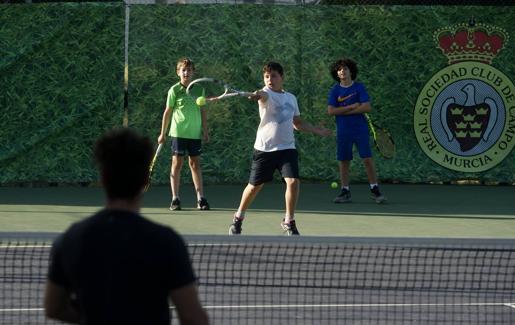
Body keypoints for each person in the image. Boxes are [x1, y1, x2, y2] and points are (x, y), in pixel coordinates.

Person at [44, 128, 209, 325]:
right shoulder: (167, 242)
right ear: (145, 181)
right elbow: (192, 317)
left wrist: (95, 316)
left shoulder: (71, 239)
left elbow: (53, 306)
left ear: (103, 178)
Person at [229, 62, 331, 236]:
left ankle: (289, 221)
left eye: (274, 76)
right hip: (264, 150)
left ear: (282, 77)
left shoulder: (291, 98)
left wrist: (316, 130)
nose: (270, 79)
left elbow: (297, 123)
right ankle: (238, 218)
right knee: (254, 187)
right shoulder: (265, 94)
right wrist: (257, 95)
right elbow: (261, 95)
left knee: (293, 182)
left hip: (287, 148)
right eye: (267, 76)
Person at [327, 58, 386, 204]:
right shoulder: (335, 90)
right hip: (343, 131)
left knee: (367, 159)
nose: (343, 71)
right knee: (344, 161)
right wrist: (351, 107)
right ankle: (345, 191)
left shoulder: (359, 87)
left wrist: (342, 111)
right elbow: (331, 111)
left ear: (351, 71)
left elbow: (367, 107)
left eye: (345, 68)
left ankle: (375, 189)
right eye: (340, 69)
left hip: (360, 129)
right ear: (337, 73)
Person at [158, 57, 210, 211]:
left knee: (195, 164)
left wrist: (205, 131)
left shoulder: (199, 90)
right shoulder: (174, 90)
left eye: (189, 70)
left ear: (193, 72)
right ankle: (175, 198)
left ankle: (201, 199)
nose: (186, 72)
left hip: (194, 134)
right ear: (178, 73)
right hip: (178, 133)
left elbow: (202, 112)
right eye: (183, 70)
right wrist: (163, 133)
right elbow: (167, 112)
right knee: (177, 164)